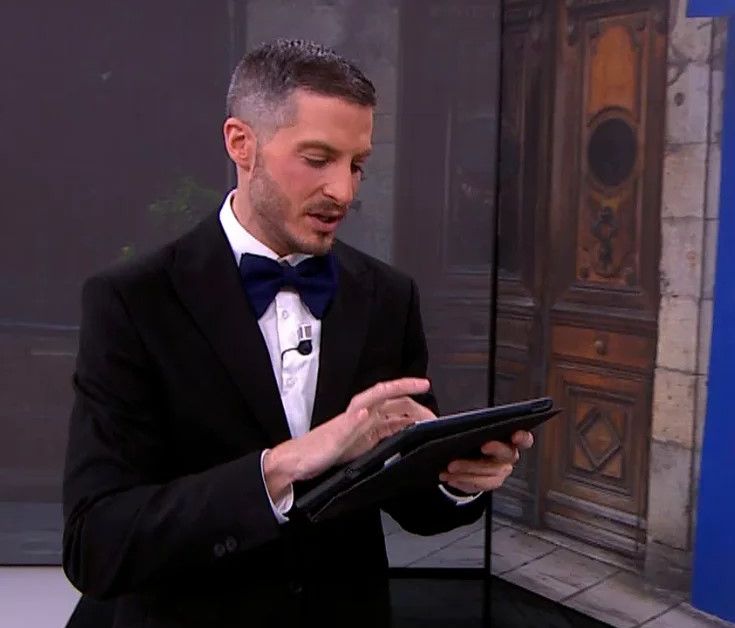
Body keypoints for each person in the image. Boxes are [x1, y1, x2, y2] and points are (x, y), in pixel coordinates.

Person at [60, 39, 532, 627]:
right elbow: (97, 543)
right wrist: (282, 467)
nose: (344, 191)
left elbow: (409, 500)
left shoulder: (387, 297)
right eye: (317, 159)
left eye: (356, 165)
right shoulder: (134, 302)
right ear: (241, 144)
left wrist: (458, 481)